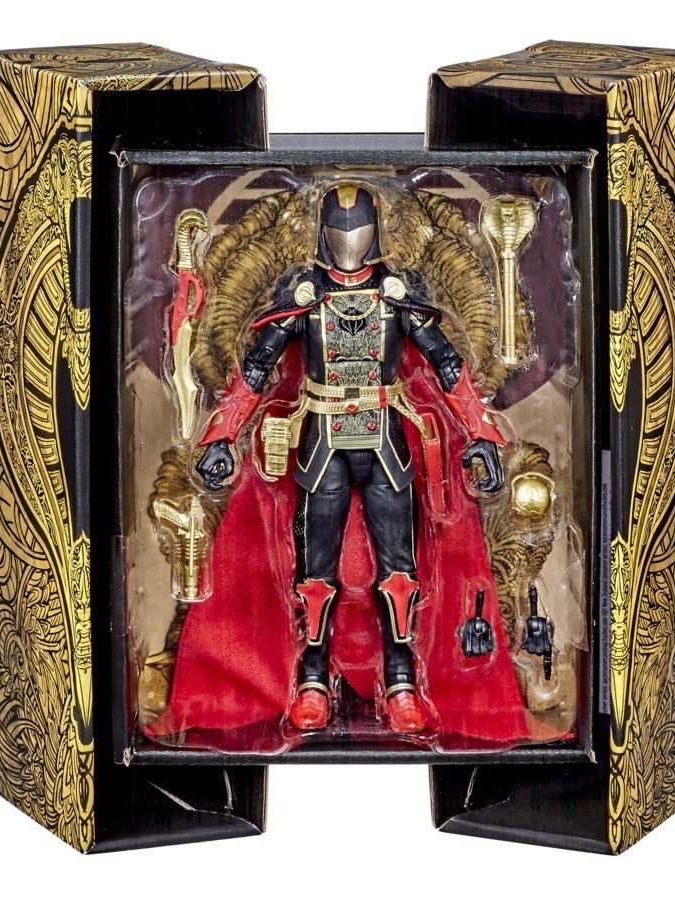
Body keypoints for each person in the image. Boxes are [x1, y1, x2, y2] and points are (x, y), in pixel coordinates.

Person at [195, 183, 509, 734]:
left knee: (399, 574)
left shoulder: (395, 295)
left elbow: (447, 364)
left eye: (357, 228)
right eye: (339, 230)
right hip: (323, 444)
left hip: (386, 441)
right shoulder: (305, 296)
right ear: (322, 232)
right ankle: (313, 680)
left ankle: (401, 681)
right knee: (316, 575)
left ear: (375, 230)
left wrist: (481, 431)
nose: (348, 240)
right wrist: (221, 435)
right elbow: (256, 369)